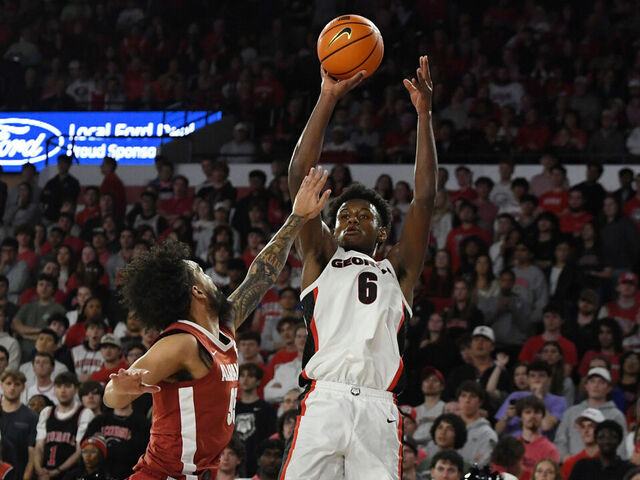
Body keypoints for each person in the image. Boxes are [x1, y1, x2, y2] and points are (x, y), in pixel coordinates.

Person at [103, 168, 329, 480]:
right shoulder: (181, 343)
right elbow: (113, 396)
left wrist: (297, 217)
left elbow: (262, 274)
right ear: (197, 291)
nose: (211, 277)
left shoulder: (224, 325)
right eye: (202, 273)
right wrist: (120, 387)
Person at [280, 57, 436, 480]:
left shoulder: (398, 270)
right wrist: (327, 97)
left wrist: (424, 117)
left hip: (377, 408)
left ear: (382, 232)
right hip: (323, 401)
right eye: (343, 216)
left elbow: (424, 200)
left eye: (362, 216)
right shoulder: (318, 259)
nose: (350, 220)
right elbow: (299, 175)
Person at [555, 367, 627, 460]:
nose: (596, 385)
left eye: (601, 382)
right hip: (573, 465)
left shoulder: (616, 415)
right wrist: (566, 459)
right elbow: (560, 441)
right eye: (592, 381)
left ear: (609, 388)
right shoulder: (571, 412)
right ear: (586, 386)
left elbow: (622, 446)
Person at [34, 372, 95, 478]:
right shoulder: (47, 412)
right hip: (45, 473)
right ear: (54, 390)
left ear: (76, 389)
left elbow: (80, 451)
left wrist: (57, 471)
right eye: (59, 386)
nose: (63, 390)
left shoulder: (85, 413)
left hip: (71, 474)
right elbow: (39, 446)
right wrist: (39, 470)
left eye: (67, 386)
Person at [84, 401, 150, 478]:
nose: (120, 395)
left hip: (129, 475)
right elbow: (84, 449)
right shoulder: (98, 421)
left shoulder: (143, 424)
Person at [235, 363, 277, 477]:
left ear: (258, 381)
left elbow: (270, 438)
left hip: (258, 462)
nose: (245, 379)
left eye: (250, 376)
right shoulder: (233, 407)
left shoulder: (267, 409)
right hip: (235, 462)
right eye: (242, 376)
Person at [0, 370, 38, 480]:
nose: (12, 388)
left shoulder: (31, 417)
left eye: (17, 384)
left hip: (19, 473)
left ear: (23, 387)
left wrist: (26, 478)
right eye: (8, 383)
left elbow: (33, 455)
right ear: (2, 385)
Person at [568, 420, 635, 480]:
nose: (606, 441)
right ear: (596, 440)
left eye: (612, 437)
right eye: (601, 437)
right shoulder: (582, 466)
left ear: (619, 440)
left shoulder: (629, 469)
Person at [515, 395, 559, 480]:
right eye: (528, 412)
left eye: (537, 412)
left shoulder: (550, 450)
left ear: (542, 416)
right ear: (520, 417)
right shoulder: (510, 447)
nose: (532, 416)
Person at [561, 408, 604, 479]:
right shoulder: (570, 464)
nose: (586, 430)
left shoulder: (610, 462)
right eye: (583, 427)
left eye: (591, 426)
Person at [414, 367, 446, 445]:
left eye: (435, 380)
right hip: (415, 449)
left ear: (442, 386)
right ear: (422, 385)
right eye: (427, 380)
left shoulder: (446, 408)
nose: (430, 383)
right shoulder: (414, 411)